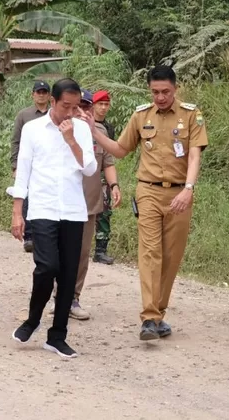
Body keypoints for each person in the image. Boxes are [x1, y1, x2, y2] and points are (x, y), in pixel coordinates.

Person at [86, 65, 208, 340]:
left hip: (180, 194)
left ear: (175, 89)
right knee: (150, 253)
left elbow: (194, 155)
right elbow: (121, 149)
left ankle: (159, 313)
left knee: (171, 257)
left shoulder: (191, 115)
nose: (160, 97)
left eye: (165, 92)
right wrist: (94, 133)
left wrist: (189, 189)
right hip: (148, 192)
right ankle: (150, 318)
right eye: (155, 92)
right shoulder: (141, 116)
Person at [10, 79, 97, 359]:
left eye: (75, 107)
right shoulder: (33, 129)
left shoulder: (82, 129)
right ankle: (33, 319)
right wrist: (16, 211)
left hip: (72, 210)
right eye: (65, 106)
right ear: (53, 102)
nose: (71, 112)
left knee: (68, 275)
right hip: (43, 209)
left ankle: (57, 336)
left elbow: (89, 168)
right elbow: (23, 170)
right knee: (47, 267)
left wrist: (71, 139)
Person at [49, 90, 121, 321]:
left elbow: (107, 162)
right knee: (55, 253)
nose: (81, 111)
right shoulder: (54, 130)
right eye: (77, 106)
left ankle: (72, 298)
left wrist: (114, 185)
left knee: (81, 254)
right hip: (58, 203)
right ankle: (56, 295)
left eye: (86, 107)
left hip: (88, 204)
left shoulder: (98, 132)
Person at [10, 80, 51, 253]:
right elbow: (16, 141)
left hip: (48, 165)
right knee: (26, 200)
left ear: (49, 96)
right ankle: (29, 237)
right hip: (28, 164)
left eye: (44, 92)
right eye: (38, 92)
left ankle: (45, 236)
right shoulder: (24, 115)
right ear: (33, 95)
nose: (41, 95)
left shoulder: (55, 115)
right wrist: (15, 166)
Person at [92, 90, 116, 265]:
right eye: (100, 104)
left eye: (106, 104)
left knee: (105, 211)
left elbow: (109, 158)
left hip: (102, 175)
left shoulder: (108, 128)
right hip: (86, 175)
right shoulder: (82, 125)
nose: (103, 107)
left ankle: (101, 250)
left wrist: (113, 183)